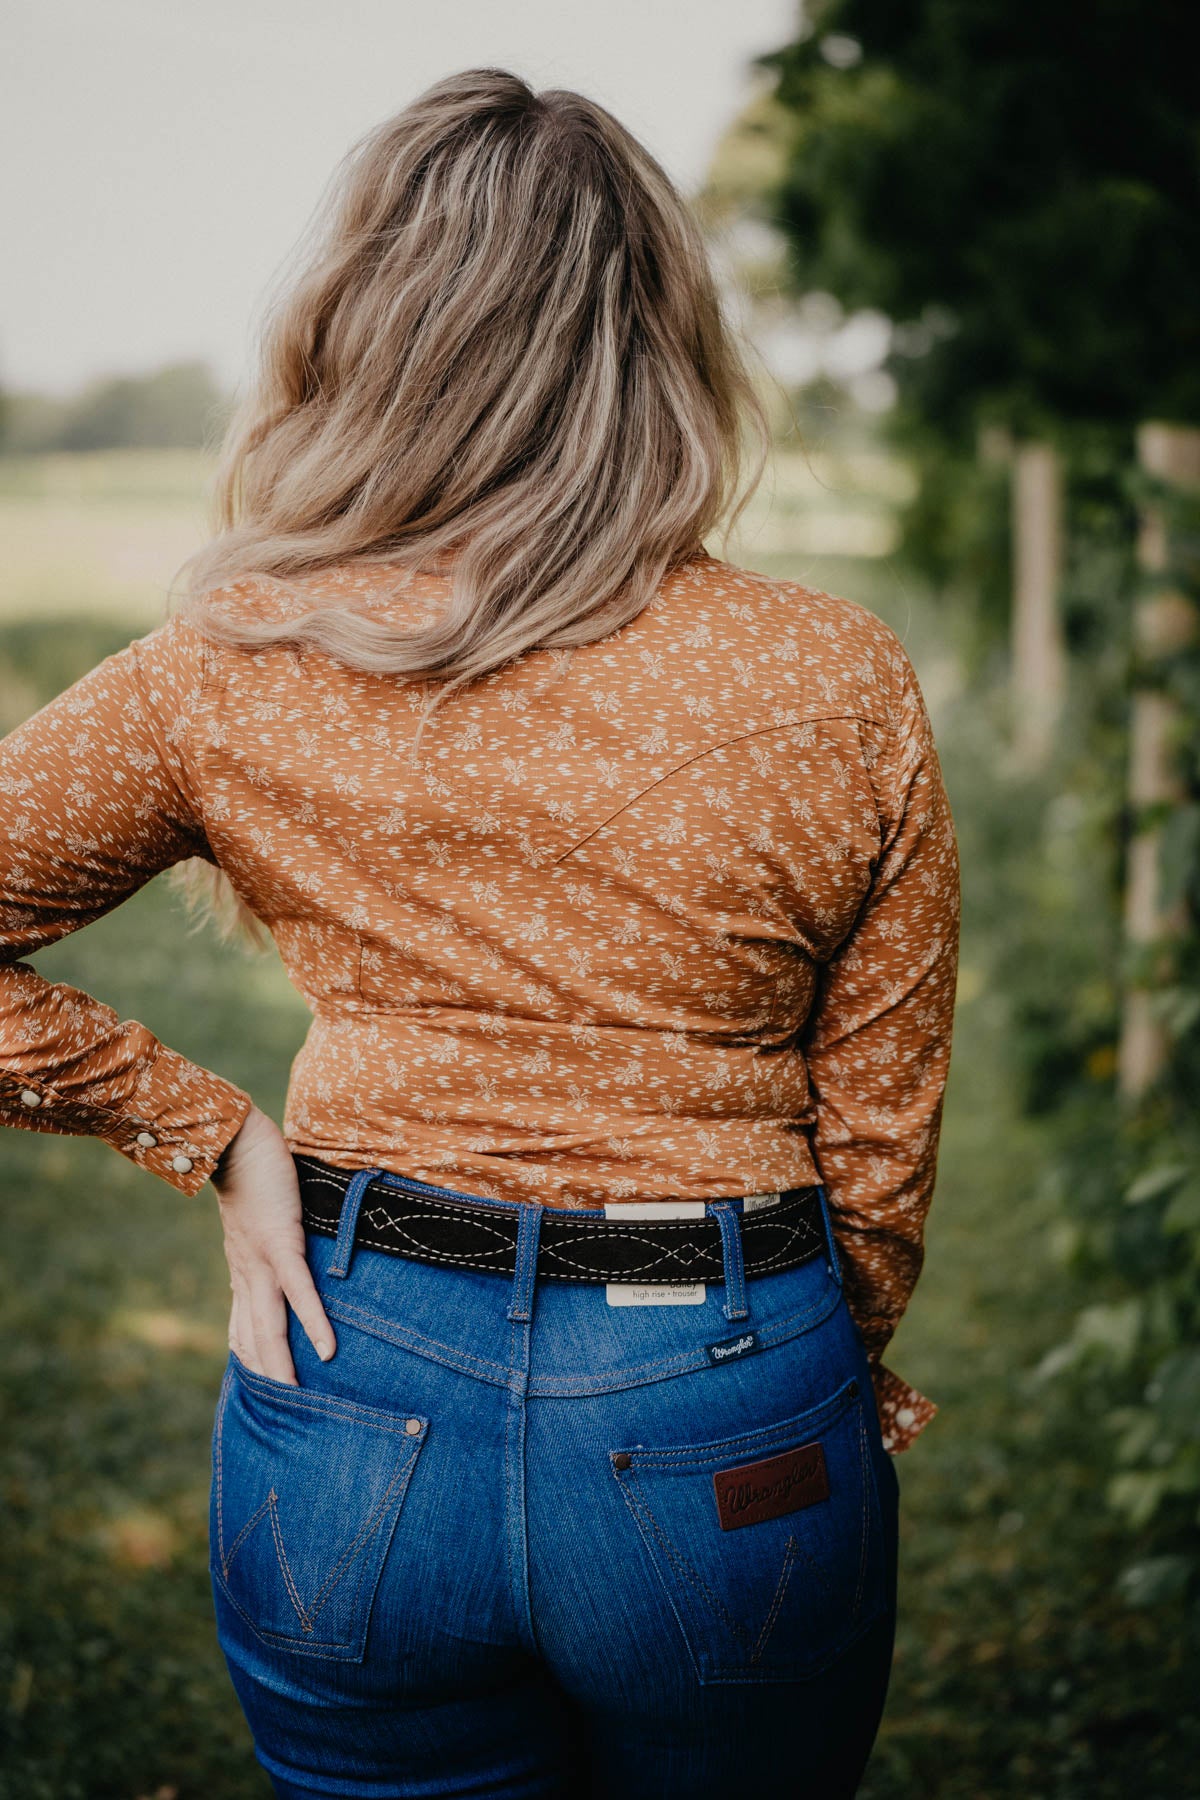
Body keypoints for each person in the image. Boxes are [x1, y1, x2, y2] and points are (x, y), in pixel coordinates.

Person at [0, 67, 960, 1800]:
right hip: (728, 1384)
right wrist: (828, 1367)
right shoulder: (837, 677)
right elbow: (878, 1149)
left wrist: (208, 1133)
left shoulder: (232, 665)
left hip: (349, 1373)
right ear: (662, 337)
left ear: (360, 325)